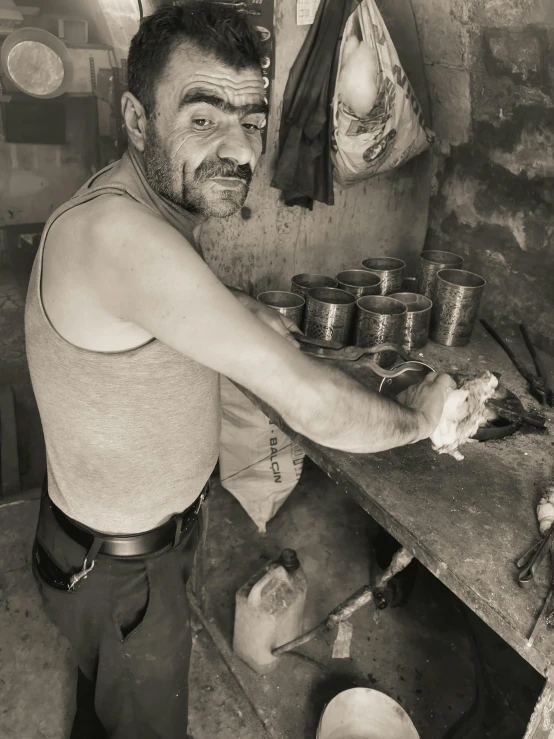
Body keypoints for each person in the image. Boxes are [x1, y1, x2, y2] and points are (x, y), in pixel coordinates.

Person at [25, 3, 454, 738]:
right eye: (203, 117)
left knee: (107, 698)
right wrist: (425, 415)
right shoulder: (121, 238)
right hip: (126, 576)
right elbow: (314, 407)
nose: (239, 149)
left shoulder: (129, 207)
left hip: (108, 555)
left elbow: (174, 298)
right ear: (136, 119)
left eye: (252, 119)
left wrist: (247, 310)